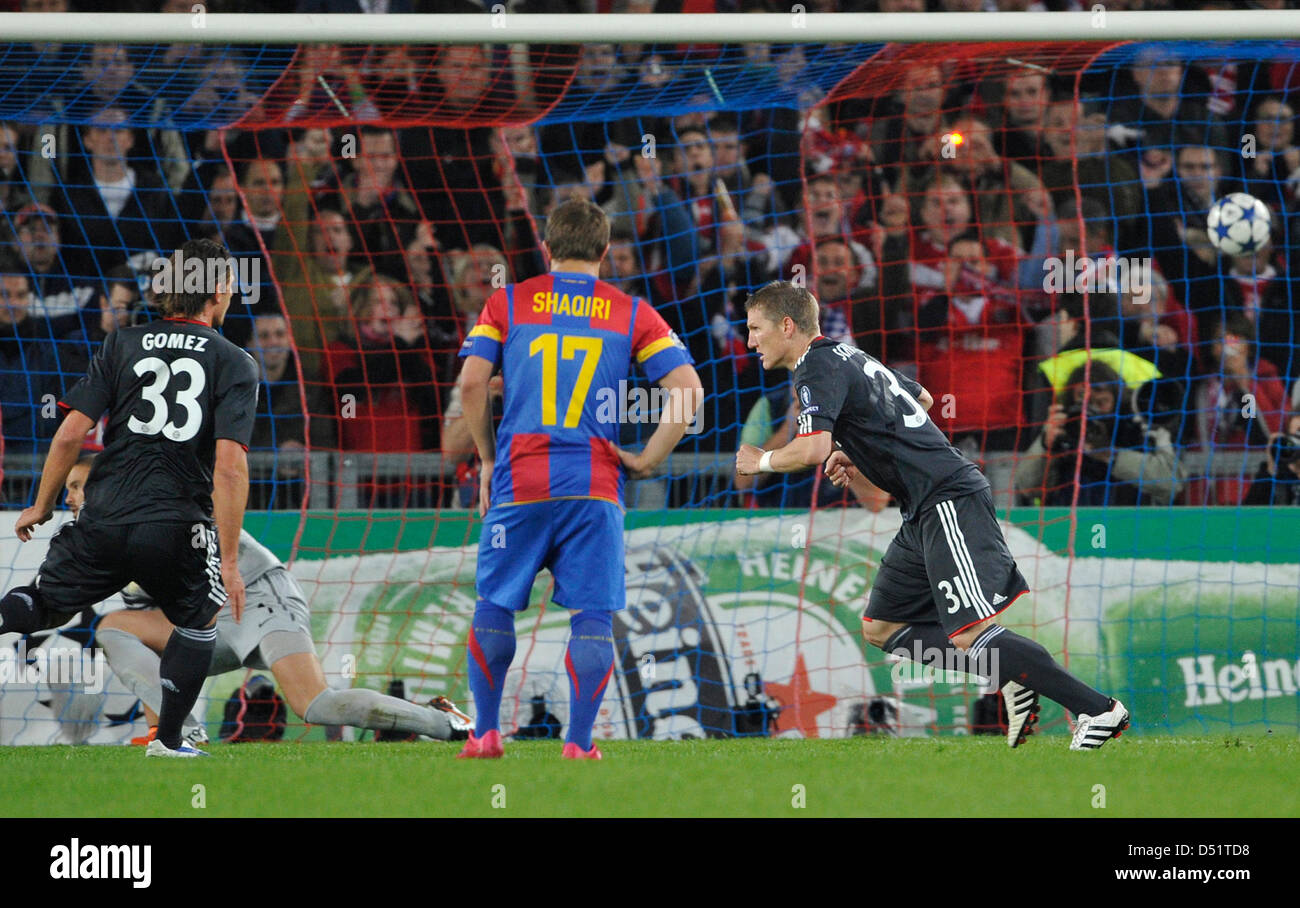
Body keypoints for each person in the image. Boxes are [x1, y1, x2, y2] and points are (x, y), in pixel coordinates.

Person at [735, 281, 1130, 751]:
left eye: (756, 328)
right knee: (882, 627)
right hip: (921, 508)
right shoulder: (848, 356)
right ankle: (1007, 672)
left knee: (970, 634)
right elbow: (919, 400)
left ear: (786, 325)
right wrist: (856, 451)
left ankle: (1098, 709)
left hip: (946, 497)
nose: (750, 341)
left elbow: (812, 448)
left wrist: (760, 460)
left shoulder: (814, 365)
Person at [456, 198, 701, 759]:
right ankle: (579, 743)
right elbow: (688, 389)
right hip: (594, 484)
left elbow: (472, 385)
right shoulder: (631, 311)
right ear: (606, 252)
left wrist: (489, 459)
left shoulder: (509, 301)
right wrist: (648, 457)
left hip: (520, 482)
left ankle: (486, 734)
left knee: (494, 604)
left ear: (545, 248)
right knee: (591, 614)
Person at [0, 238, 257, 758]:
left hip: (105, 513)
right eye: (228, 283)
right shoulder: (234, 361)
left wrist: (43, 502)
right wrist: (229, 560)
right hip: (175, 522)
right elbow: (229, 468)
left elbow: (71, 432)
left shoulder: (122, 344)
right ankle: (167, 742)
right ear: (216, 291)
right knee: (199, 618)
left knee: (44, 605)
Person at [59, 454, 472, 745]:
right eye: (67, 490)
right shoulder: (107, 543)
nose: (69, 498)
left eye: (77, 485)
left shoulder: (156, 509)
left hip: (259, 596)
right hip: (209, 623)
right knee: (116, 628)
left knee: (316, 705)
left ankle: (443, 722)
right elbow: (151, 632)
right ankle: (171, 736)